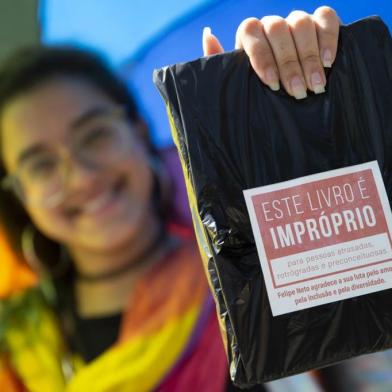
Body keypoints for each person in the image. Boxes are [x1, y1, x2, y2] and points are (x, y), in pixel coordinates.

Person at [0, 7, 340, 392]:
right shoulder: (11, 346)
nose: (81, 175)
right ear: (18, 195)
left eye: (94, 135)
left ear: (139, 131)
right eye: (40, 165)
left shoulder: (251, 271)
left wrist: (308, 114)